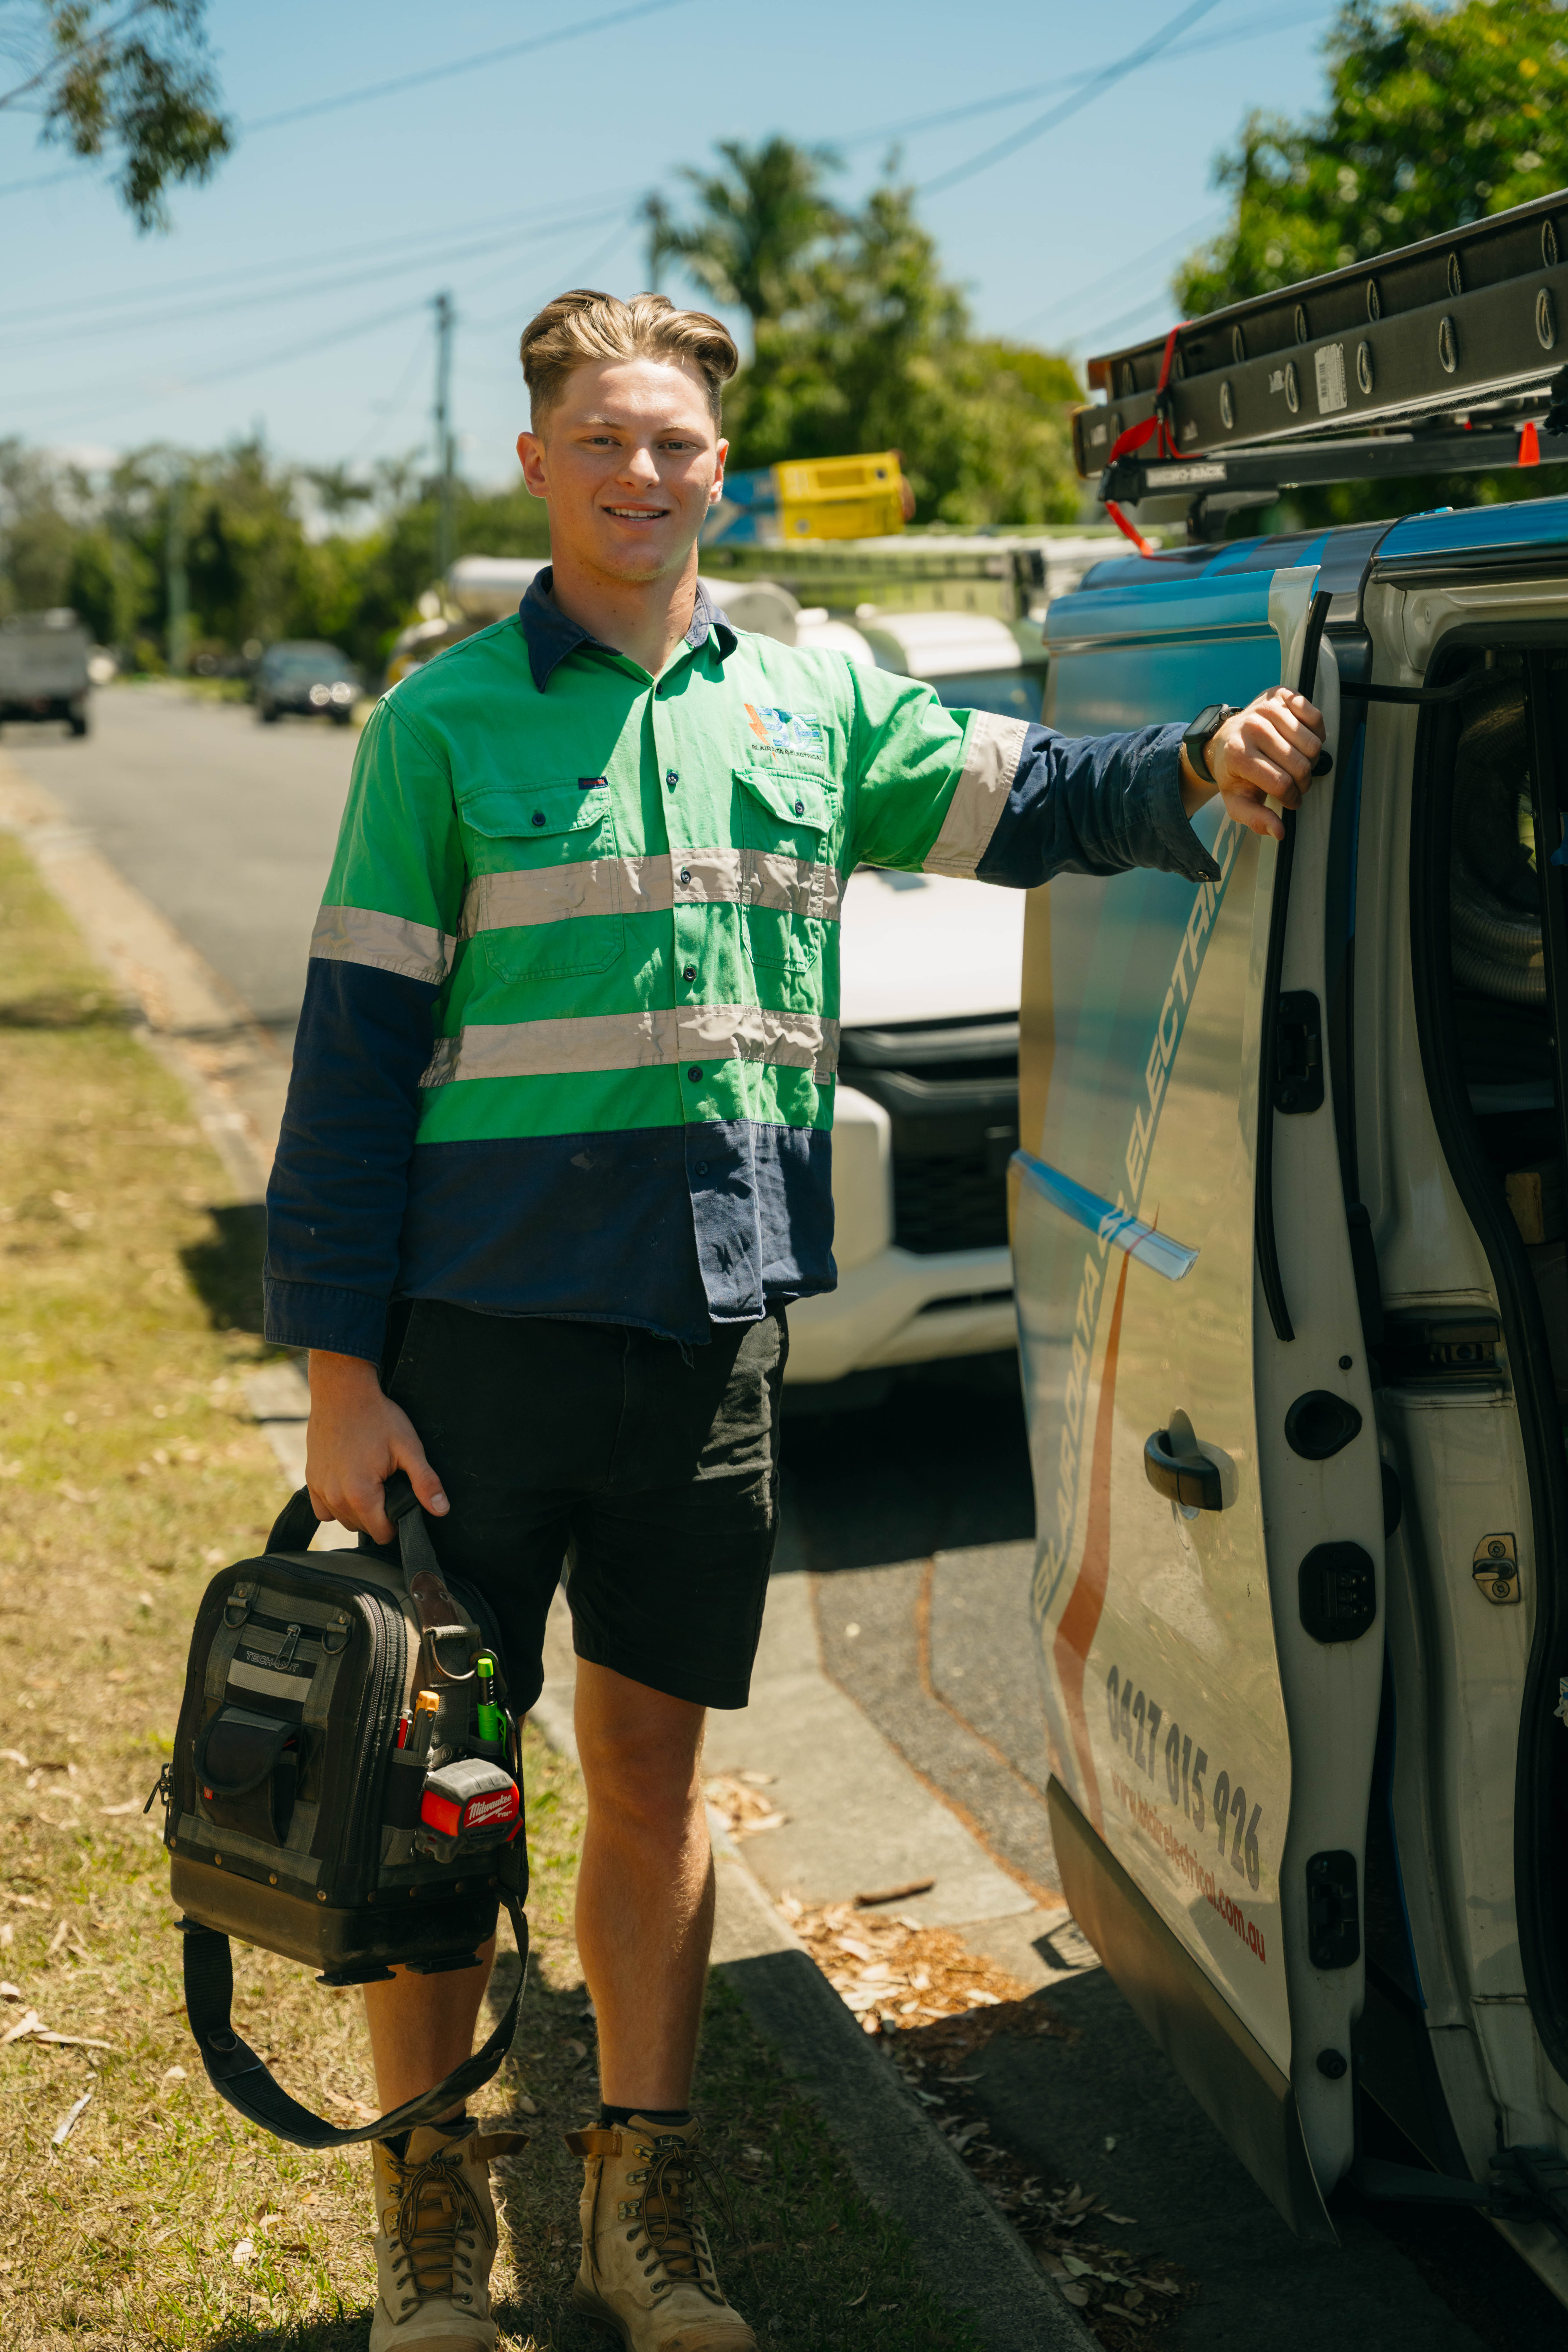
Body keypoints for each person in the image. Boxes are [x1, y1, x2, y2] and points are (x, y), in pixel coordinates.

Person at [265, 287, 1325, 2352]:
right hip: (475, 1357)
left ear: (718, 472)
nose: (642, 475)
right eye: (603, 441)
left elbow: (1031, 800)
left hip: (712, 1351)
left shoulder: (808, 701)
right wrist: (336, 1381)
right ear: (536, 464)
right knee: (440, 1797)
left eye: (675, 445)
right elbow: (350, 1065)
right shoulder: (441, 724)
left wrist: (1206, 754)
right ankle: (432, 2256)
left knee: (653, 1788)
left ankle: (646, 2235)